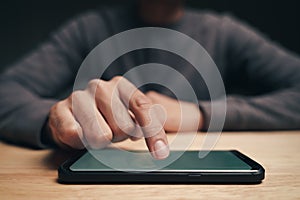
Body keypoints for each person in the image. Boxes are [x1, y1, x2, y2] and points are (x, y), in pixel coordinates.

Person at [0, 0, 300, 160]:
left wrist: (201, 115)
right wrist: (54, 122)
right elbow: (6, 92)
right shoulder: (88, 29)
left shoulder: (224, 32)